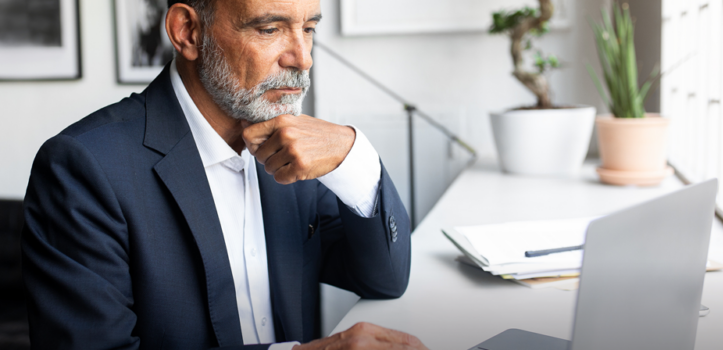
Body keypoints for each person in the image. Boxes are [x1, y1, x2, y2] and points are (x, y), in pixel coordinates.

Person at [21, 0, 427, 349]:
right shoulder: (83, 168)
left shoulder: (293, 148)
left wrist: (352, 156)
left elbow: (384, 280)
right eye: (270, 28)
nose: (303, 58)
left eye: (309, 28)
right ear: (189, 32)